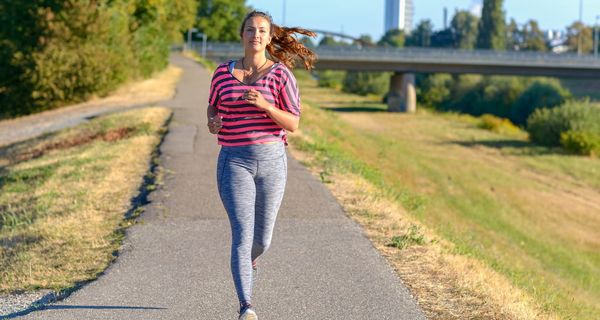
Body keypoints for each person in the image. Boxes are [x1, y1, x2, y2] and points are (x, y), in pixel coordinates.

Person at [206, 10, 317, 320]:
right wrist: (213, 123)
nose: (255, 35)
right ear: (242, 35)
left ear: (269, 38)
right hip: (234, 161)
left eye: (262, 31)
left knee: (262, 240)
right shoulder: (221, 73)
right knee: (242, 237)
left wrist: (266, 105)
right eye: (250, 29)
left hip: (272, 163)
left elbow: (293, 123)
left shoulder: (281, 75)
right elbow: (213, 107)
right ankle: (246, 307)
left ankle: (249, 261)